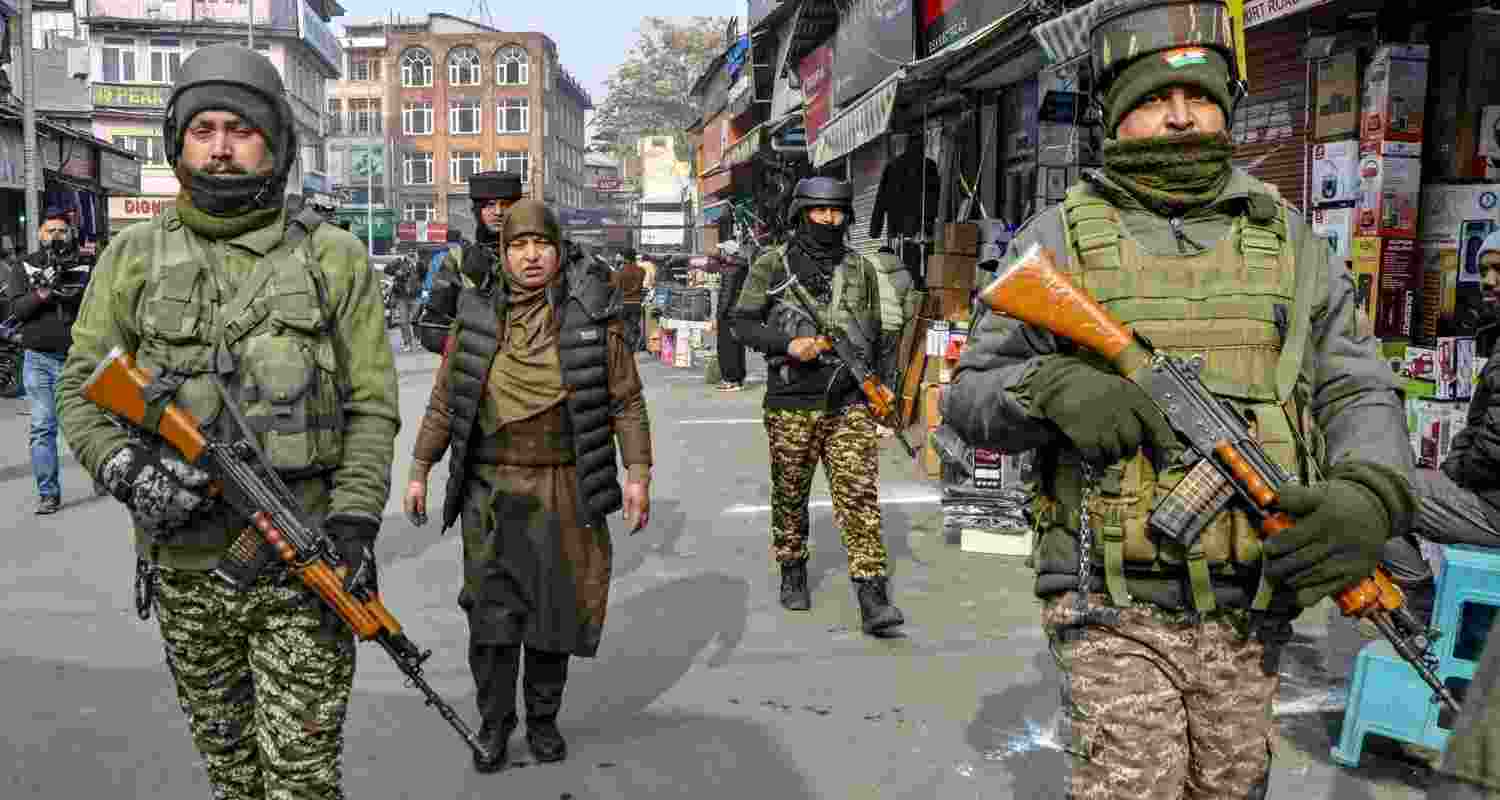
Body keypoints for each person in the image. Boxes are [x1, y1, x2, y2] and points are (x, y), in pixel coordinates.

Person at [943, 2, 1416, 796]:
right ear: (1116, 116)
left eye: (1198, 98)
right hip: (1109, 597)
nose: (1178, 118)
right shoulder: (1056, 239)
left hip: (1252, 597)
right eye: (1153, 101)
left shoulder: (1292, 242)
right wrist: (1050, 387)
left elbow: (1356, 384)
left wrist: (1368, 494)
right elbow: (969, 398)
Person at [56, 44, 398, 800]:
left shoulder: (333, 257)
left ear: (274, 146)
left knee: (302, 783)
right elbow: (83, 389)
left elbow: (372, 406)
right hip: (184, 572)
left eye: (240, 130)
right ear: (178, 142)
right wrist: (126, 468)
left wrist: (354, 524)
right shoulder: (134, 255)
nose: (219, 147)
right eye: (202, 128)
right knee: (233, 776)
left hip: (302, 563)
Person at [402, 200, 653, 773]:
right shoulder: (476, 316)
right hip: (490, 489)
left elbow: (626, 399)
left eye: (541, 244)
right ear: (504, 253)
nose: (531, 255)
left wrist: (637, 472)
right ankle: (494, 724)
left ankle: (543, 720)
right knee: (490, 618)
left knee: (553, 612)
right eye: (518, 246)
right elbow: (446, 399)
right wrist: (419, 469)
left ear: (558, 250)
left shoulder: (591, 315)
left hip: (565, 483)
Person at [731, 176, 915, 634]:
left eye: (836, 213)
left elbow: (880, 334)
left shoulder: (860, 268)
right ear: (801, 214)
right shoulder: (773, 265)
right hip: (792, 400)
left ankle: (872, 597)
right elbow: (742, 323)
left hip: (850, 399)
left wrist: (883, 392)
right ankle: (793, 567)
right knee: (790, 493)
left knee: (859, 497)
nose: (829, 220)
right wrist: (788, 344)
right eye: (820, 212)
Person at [3, 208, 93, 513]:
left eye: (61, 230)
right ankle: (48, 494)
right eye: (49, 230)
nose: (56, 236)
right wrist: (42, 291)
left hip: (78, 359)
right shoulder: (24, 266)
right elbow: (18, 310)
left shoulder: (86, 266)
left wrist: (68, 285)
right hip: (39, 360)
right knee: (43, 427)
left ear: (71, 234)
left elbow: (96, 309)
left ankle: (102, 476)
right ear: (39, 234)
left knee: (88, 424)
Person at [416, 171, 523, 354]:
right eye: (489, 205)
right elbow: (432, 330)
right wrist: (476, 353)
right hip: (475, 374)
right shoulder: (456, 260)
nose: (498, 212)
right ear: (477, 210)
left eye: (505, 204)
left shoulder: (536, 257)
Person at [714, 241, 749, 391]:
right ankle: (738, 379)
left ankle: (730, 379)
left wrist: (719, 315)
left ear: (727, 253)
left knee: (726, 347)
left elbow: (726, 296)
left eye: (722, 251)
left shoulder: (729, 270)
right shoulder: (742, 266)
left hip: (728, 314)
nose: (720, 253)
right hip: (738, 312)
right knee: (737, 346)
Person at [611, 248, 647, 352]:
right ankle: (633, 346)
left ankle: (625, 347)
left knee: (624, 326)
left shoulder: (620, 272)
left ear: (624, 258)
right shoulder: (641, 271)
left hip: (624, 303)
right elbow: (638, 286)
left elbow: (617, 289)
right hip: (636, 303)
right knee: (634, 326)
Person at [384, 252, 421, 352]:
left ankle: (418, 339)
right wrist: (396, 271)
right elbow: (387, 269)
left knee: (415, 319)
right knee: (403, 321)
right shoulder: (399, 262)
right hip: (402, 296)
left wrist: (417, 263)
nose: (411, 256)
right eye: (409, 253)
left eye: (413, 253)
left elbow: (426, 276)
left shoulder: (419, 264)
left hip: (416, 296)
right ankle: (407, 343)